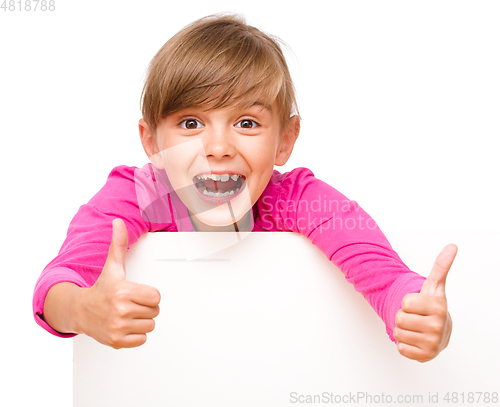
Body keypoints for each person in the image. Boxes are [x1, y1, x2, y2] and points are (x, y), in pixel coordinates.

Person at [33, 13, 456, 363]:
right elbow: (58, 280)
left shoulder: (299, 199)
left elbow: (377, 269)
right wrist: (82, 309)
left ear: (285, 140)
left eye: (247, 123)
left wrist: (411, 309)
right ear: (151, 142)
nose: (218, 148)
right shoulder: (138, 195)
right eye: (191, 123)